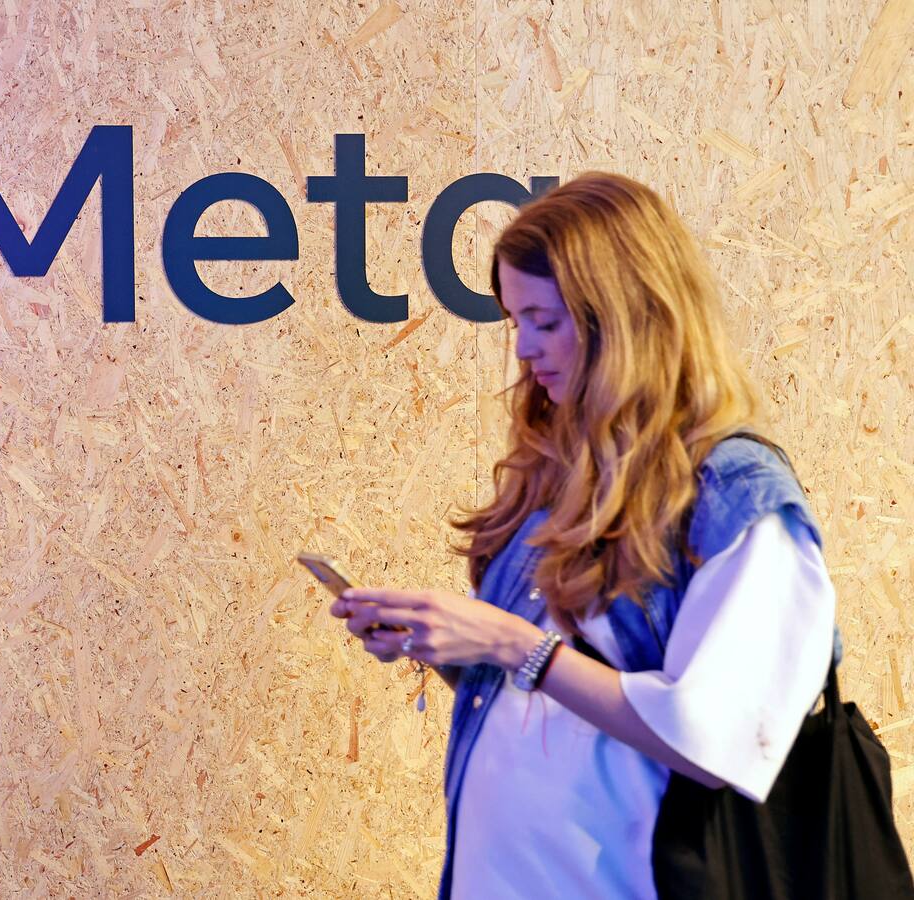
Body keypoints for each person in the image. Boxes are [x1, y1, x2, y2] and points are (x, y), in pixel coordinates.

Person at [328, 171, 839, 899]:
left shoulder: (736, 498)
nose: (524, 351)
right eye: (515, 323)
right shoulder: (561, 475)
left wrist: (511, 644)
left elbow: (716, 740)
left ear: (624, 316)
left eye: (544, 321)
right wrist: (452, 646)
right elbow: (552, 697)